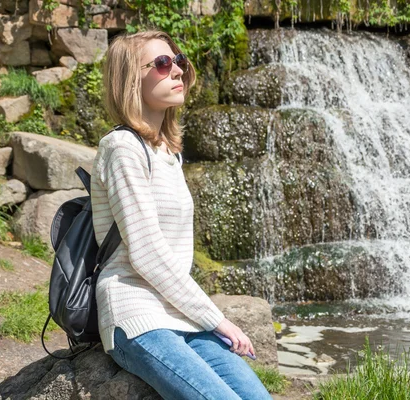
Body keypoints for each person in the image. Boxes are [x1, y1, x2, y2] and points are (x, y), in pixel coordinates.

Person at [89, 30, 273, 400]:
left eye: (178, 62)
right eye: (161, 63)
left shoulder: (168, 152)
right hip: (137, 317)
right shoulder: (122, 148)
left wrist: (201, 319)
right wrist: (217, 318)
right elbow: (146, 253)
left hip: (180, 316)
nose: (176, 71)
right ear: (129, 78)